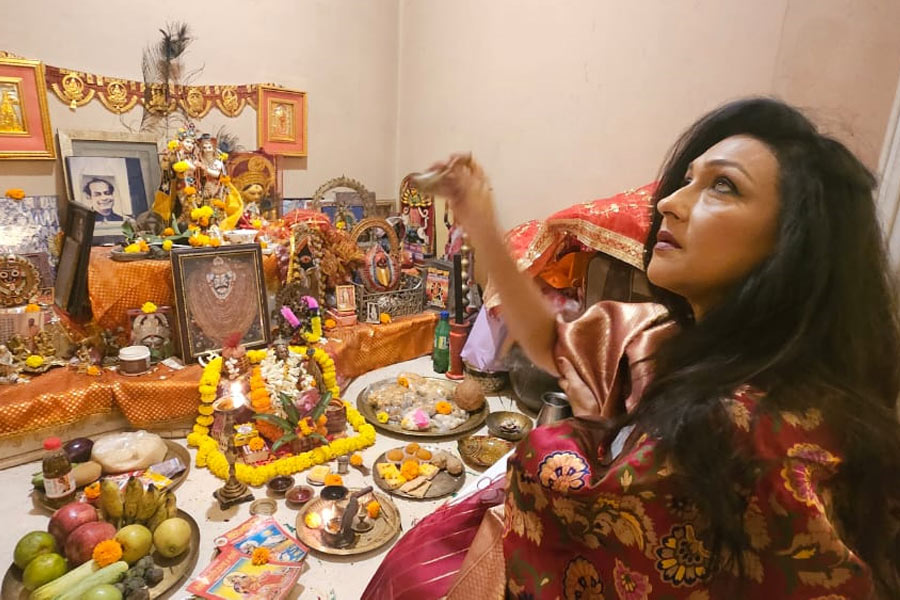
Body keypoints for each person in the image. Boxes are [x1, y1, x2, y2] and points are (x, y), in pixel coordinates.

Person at [365, 98, 900, 599]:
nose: (668, 202)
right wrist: (482, 221)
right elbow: (556, 343)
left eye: (724, 187)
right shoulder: (668, 336)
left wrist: (554, 447)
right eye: (687, 180)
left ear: (793, 242)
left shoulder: (748, 430)